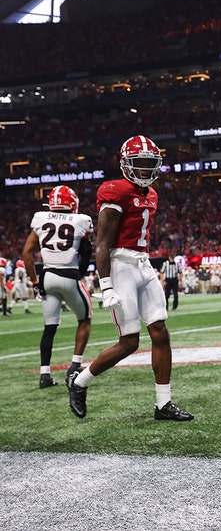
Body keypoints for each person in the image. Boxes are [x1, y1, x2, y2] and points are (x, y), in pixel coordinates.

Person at [67, 135, 193, 421]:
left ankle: (163, 404)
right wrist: (107, 284)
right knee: (130, 342)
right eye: (141, 163)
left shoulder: (152, 194)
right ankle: (79, 381)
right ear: (125, 164)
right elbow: (102, 245)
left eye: (151, 164)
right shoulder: (115, 191)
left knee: (160, 331)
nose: (146, 170)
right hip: (120, 265)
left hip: (143, 263)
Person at [22, 185, 94, 389]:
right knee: (85, 319)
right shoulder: (81, 220)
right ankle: (75, 366)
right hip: (69, 275)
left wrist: (35, 282)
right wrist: (80, 272)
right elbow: (87, 251)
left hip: (47, 276)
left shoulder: (41, 218)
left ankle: (45, 374)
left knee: (49, 327)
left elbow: (27, 253)